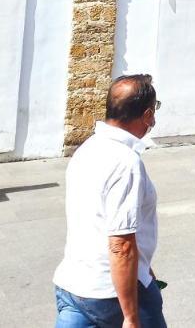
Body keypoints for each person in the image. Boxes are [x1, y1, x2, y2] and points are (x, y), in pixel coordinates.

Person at [53, 74, 166, 328]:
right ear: (147, 115)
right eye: (155, 109)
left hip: (73, 283)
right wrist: (131, 316)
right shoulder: (125, 162)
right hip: (111, 293)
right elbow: (121, 244)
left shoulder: (87, 148)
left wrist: (144, 266)